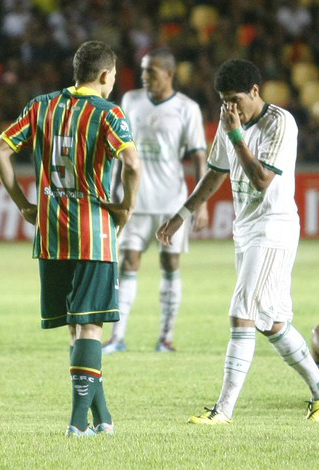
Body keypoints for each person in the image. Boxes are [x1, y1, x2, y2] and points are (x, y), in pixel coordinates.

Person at [156, 58, 319, 424]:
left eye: (235, 99)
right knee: (269, 321)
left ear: (255, 92)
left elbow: (260, 180)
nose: (229, 107)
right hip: (247, 229)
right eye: (224, 100)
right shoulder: (230, 122)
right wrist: (182, 214)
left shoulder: (280, 123)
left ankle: (223, 411)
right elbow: (215, 173)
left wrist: (237, 134)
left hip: (274, 228)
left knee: (241, 311)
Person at [0, 41, 140, 436]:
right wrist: (125, 207)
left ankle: (102, 419)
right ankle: (76, 425)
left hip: (52, 233)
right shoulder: (109, 114)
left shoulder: (41, 106)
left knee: (77, 327)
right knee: (90, 327)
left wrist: (24, 204)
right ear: (106, 75)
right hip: (93, 233)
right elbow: (133, 164)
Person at [102, 48, 208, 354]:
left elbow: (200, 157)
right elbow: (119, 153)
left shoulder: (187, 108)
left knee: (169, 262)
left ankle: (166, 338)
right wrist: (113, 194)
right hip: (133, 200)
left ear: (170, 75)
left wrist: (199, 204)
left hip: (170, 203)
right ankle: (117, 337)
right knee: (128, 262)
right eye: (143, 71)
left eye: (152, 72)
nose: (144, 77)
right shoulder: (130, 101)